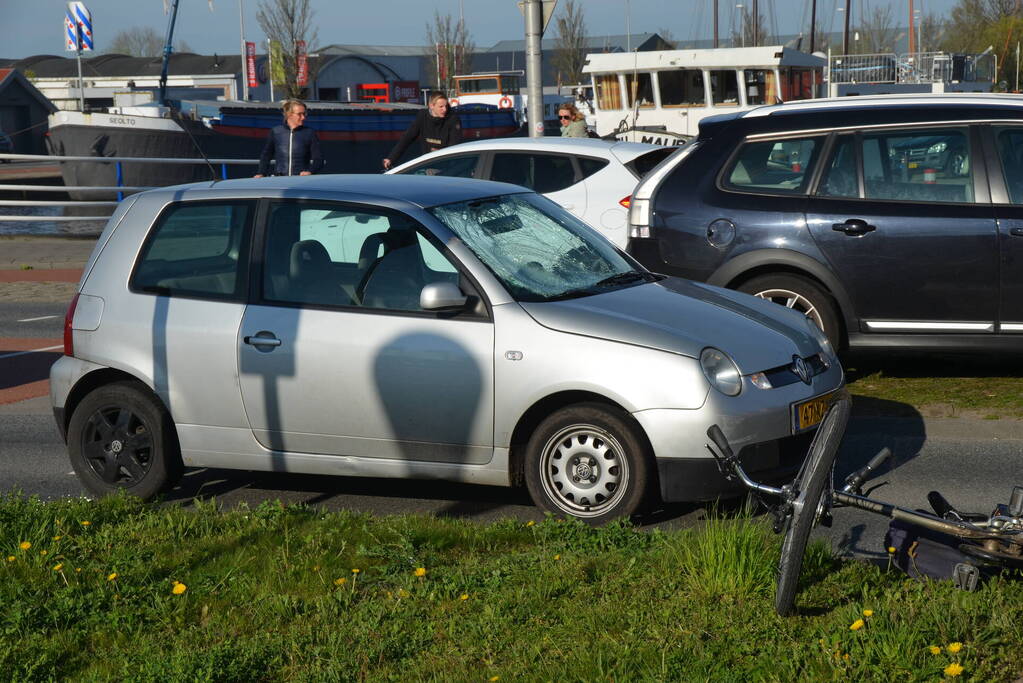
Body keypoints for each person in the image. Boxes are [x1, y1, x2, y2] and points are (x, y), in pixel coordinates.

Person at [382, 92, 461, 170]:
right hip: (428, 165)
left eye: (446, 106)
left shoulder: (453, 119)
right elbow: (407, 138)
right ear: (431, 106)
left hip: (447, 166)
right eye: (441, 107)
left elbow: (454, 147)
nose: (445, 109)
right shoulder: (422, 116)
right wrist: (391, 158)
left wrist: (439, 152)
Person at [255, 99, 323, 177]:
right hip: (280, 179)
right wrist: (261, 173)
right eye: (299, 114)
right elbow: (266, 155)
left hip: (300, 179)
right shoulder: (276, 131)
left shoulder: (309, 133)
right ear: (289, 114)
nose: (303, 117)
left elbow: (318, 159)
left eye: (304, 114)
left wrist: (310, 171)